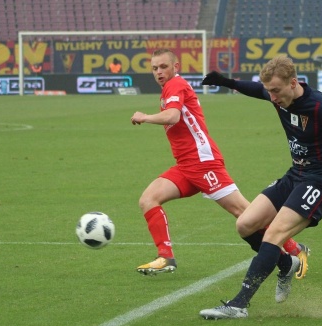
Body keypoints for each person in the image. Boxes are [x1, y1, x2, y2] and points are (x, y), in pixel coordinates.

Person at [198, 56, 322, 319]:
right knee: (245, 225)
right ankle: (287, 263)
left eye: (276, 91)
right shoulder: (278, 95)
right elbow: (255, 88)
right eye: (269, 91)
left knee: (274, 233)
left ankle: (238, 305)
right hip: (295, 175)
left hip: (321, 182)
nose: (271, 97)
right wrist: (224, 81)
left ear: (293, 83)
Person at [130, 49, 310, 281]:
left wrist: (145, 117)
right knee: (148, 199)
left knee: (246, 213)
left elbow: (173, 116)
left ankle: (296, 250)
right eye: (154, 68)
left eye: (163, 66)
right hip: (185, 165)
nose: (159, 72)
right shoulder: (168, 89)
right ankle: (165, 257)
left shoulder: (175, 84)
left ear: (175, 67)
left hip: (203, 163)